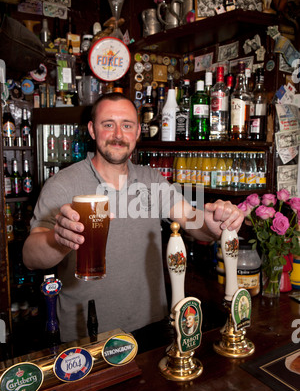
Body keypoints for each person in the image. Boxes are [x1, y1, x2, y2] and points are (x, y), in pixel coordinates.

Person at [23, 93, 243, 348]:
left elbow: (194, 221)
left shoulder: (151, 179)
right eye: (108, 124)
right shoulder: (62, 184)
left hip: (153, 325)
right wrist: (59, 240)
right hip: (86, 333)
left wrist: (218, 223)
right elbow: (30, 256)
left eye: (126, 125)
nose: (118, 134)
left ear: (138, 131)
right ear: (93, 130)